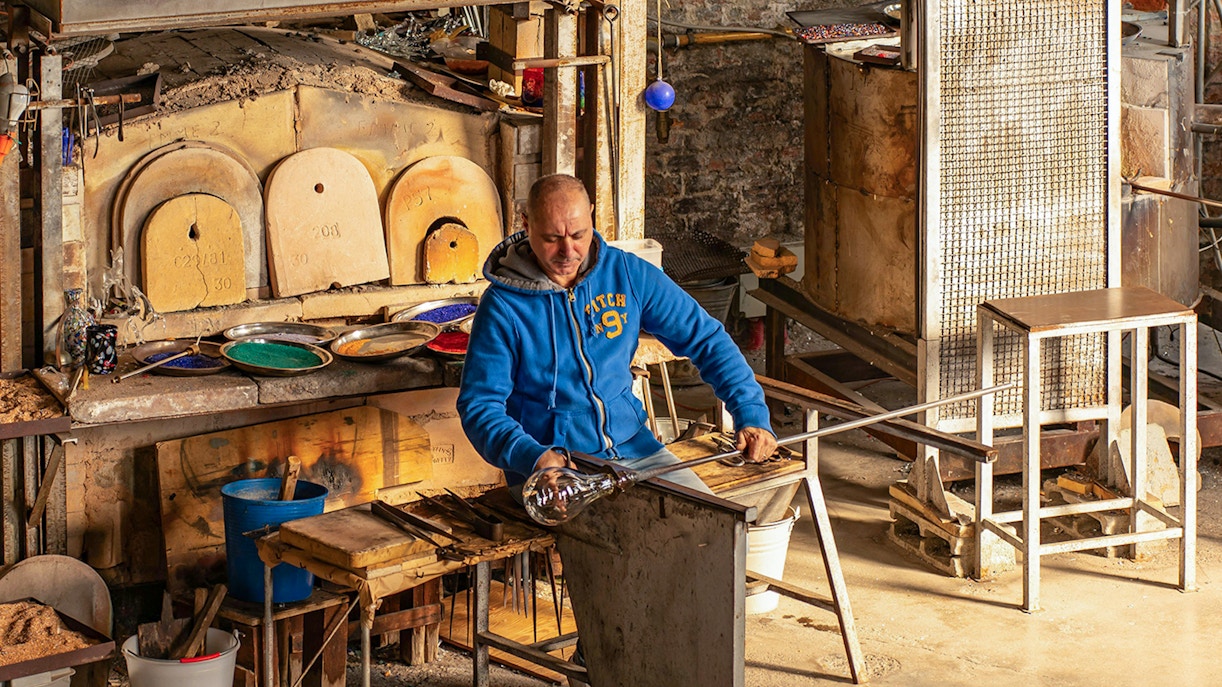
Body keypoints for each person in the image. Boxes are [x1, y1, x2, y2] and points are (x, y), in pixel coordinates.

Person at [457, 173, 777, 499]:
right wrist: (533, 456)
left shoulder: (626, 274)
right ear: (526, 223)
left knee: (707, 527)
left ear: (591, 214)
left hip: (636, 448)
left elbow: (707, 339)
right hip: (558, 467)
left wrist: (750, 413)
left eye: (579, 235)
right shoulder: (502, 307)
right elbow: (480, 406)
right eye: (552, 238)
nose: (568, 251)